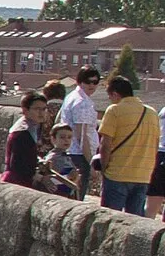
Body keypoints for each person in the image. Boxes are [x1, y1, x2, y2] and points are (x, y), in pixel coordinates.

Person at [95, 76, 158, 215]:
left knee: (109, 219)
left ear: (115, 94)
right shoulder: (152, 113)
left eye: (109, 96)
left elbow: (105, 144)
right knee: (135, 223)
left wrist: (104, 167)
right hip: (143, 174)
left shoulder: (114, 110)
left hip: (117, 173)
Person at [59, 68, 101, 199]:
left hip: (70, 152)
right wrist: (91, 163)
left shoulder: (70, 97)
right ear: (80, 81)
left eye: (95, 82)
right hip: (80, 155)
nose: (92, 85)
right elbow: (81, 136)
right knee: (77, 195)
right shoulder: (82, 103)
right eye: (88, 82)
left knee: (68, 192)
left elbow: (58, 120)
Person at [2, 92, 48, 187]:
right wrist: (38, 177)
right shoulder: (21, 132)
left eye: (44, 109)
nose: (41, 113)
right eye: (37, 109)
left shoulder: (34, 126)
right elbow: (17, 164)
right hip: (17, 182)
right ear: (25, 110)